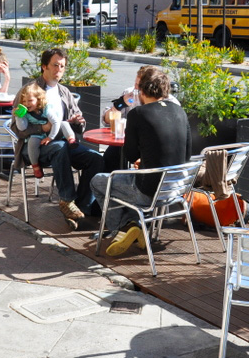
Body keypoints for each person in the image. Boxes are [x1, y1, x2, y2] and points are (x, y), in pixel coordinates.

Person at [89, 66, 192, 255]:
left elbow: (129, 156)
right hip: (177, 190)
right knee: (125, 183)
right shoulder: (180, 112)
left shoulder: (138, 114)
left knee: (99, 181)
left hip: (149, 192)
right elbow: (186, 155)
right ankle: (135, 225)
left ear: (142, 91)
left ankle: (124, 227)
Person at [11, 48, 104, 230]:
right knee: (60, 147)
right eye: (55, 65)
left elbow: (78, 123)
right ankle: (67, 199)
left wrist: (78, 122)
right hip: (34, 147)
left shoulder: (64, 92)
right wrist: (41, 128)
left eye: (62, 66)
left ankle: (81, 207)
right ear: (44, 66)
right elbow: (15, 127)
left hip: (61, 143)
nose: (59, 69)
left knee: (96, 159)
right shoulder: (29, 91)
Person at [101, 65, 180, 172]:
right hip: (127, 143)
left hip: (154, 150)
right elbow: (107, 120)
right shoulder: (129, 95)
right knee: (110, 156)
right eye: (135, 84)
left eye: (139, 86)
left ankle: (115, 183)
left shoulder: (172, 103)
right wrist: (120, 104)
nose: (136, 89)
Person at [13, 82, 76, 178]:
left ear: (38, 100)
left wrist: (50, 137)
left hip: (53, 131)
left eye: (30, 100)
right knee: (32, 142)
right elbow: (22, 128)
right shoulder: (26, 113)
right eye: (24, 101)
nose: (26, 104)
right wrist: (19, 117)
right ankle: (35, 166)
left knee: (64, 124)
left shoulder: (46, 109)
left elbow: (55, 122)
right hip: (39, 133)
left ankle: (71, 139)